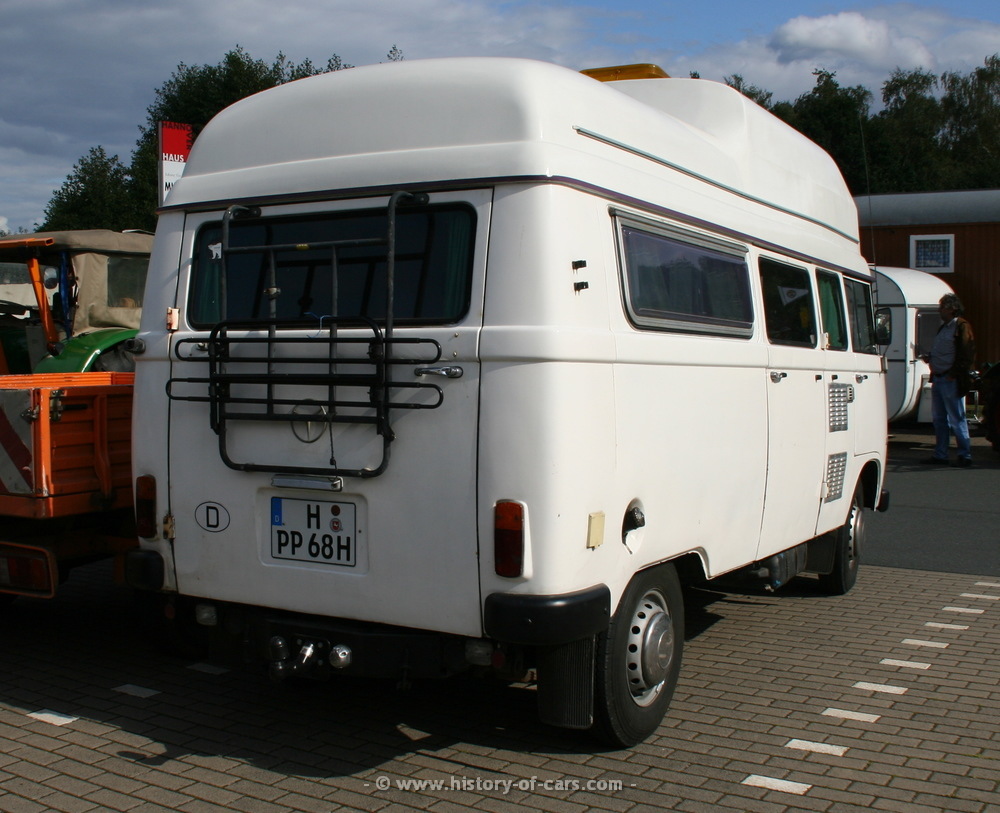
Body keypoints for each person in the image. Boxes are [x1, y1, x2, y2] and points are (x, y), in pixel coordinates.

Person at [922, 293, 976, 467]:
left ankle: (964, 455)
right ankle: (941, 454)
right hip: (939, 377)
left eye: (942, 307)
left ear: (952, 308)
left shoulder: (961, 326)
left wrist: (954, 374)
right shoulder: (944, 328)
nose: (940, 310)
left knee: (956, 418)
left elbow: (967, 353)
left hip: (950, 378)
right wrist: (931, 358)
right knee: (939, 419)